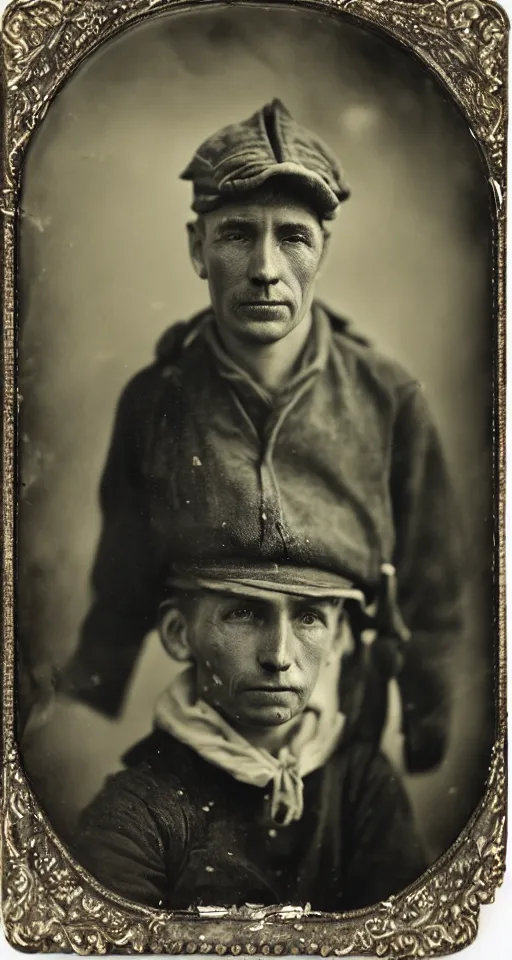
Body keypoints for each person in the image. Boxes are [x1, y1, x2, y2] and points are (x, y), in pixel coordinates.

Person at [58, 99, 463, 774]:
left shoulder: (387, 397)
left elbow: (434, 589)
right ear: (197, 247)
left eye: (293, 237)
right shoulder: (155, 400)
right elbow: (122, 579)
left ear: (323, 250)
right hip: (205, 719)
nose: (266, 269)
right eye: (238, 234)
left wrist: (429, 726)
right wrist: (71, 709)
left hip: (338, 722)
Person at [73, 567, 427, 910]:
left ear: (337, 639)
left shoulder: (363, 784)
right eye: (243, 613)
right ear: (180, 632)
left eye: (308, 617)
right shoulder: (133, 816)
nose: (279, 656)